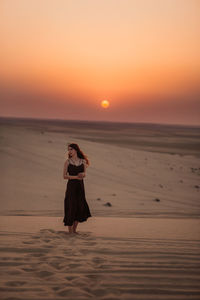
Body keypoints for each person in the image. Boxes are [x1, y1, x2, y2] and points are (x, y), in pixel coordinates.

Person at [63, 143, 92, 234]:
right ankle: (70, 231)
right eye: (69, 149)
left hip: (80, 187)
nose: (69, 151)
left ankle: (74, 231)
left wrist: (82, 175)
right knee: (71, 207)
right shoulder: (67, 162)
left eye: (71, 149)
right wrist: (76, 177)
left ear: (76, 150)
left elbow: (84, 174)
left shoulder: (83, 161)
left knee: (79, 207)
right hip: (71, 187)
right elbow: (64, 176)